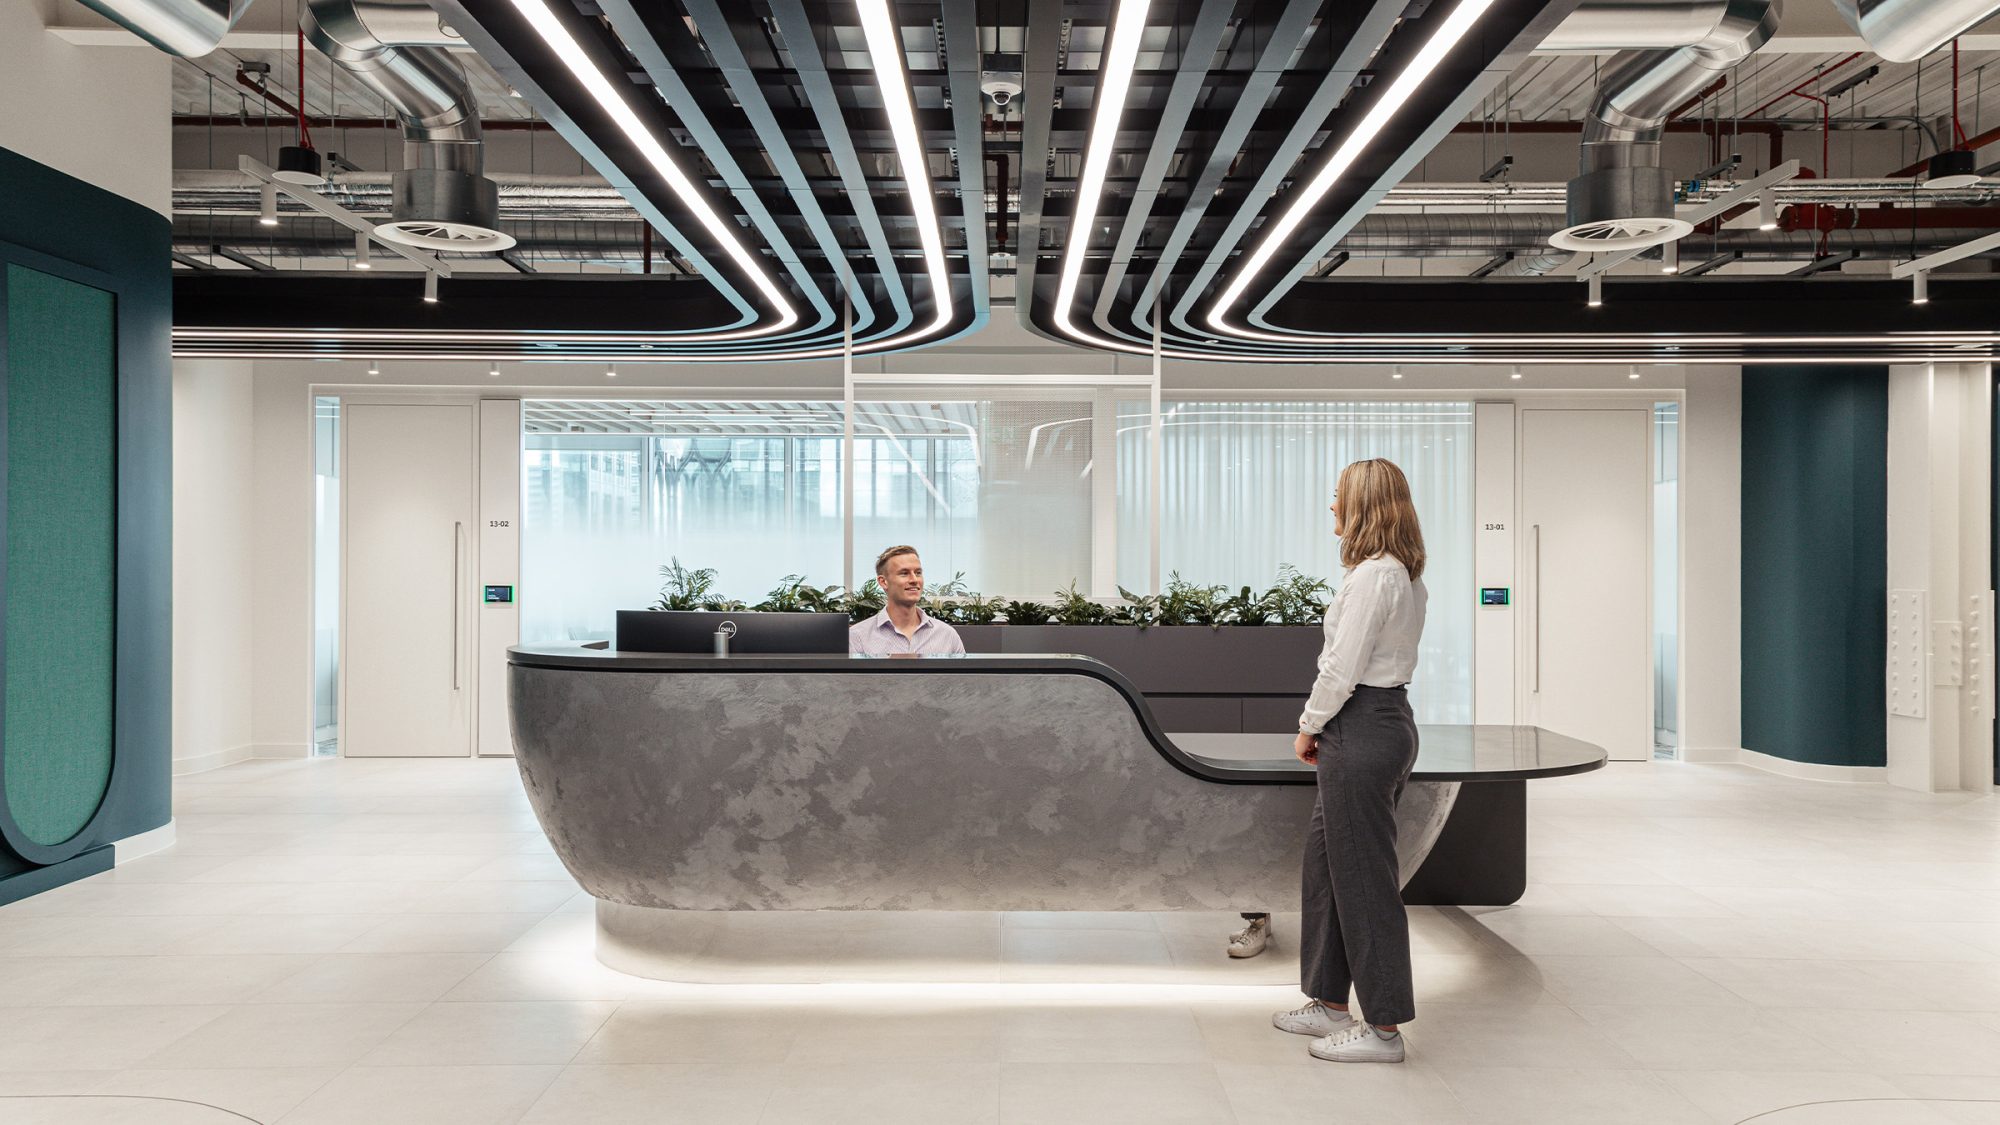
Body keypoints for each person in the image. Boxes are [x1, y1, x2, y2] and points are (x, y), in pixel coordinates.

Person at [1270, 458, 1428, 1064]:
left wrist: (1310, 725)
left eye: (1338, 497)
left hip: (1361, 724)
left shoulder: (1375, 578)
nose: (1331, 507)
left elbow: (1342, 667)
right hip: (1375, 723)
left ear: (1362, 505)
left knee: (1363, 881)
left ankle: (1384, 1029)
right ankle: (1330, 1003)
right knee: (1327, 866)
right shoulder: (1400, 575)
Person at [848, 545, 966, 655]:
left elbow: (964, 678)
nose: (914, 579)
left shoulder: (947, 636)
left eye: (918, 573)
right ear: (883, 582)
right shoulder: (858, 637)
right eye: (904, 573)